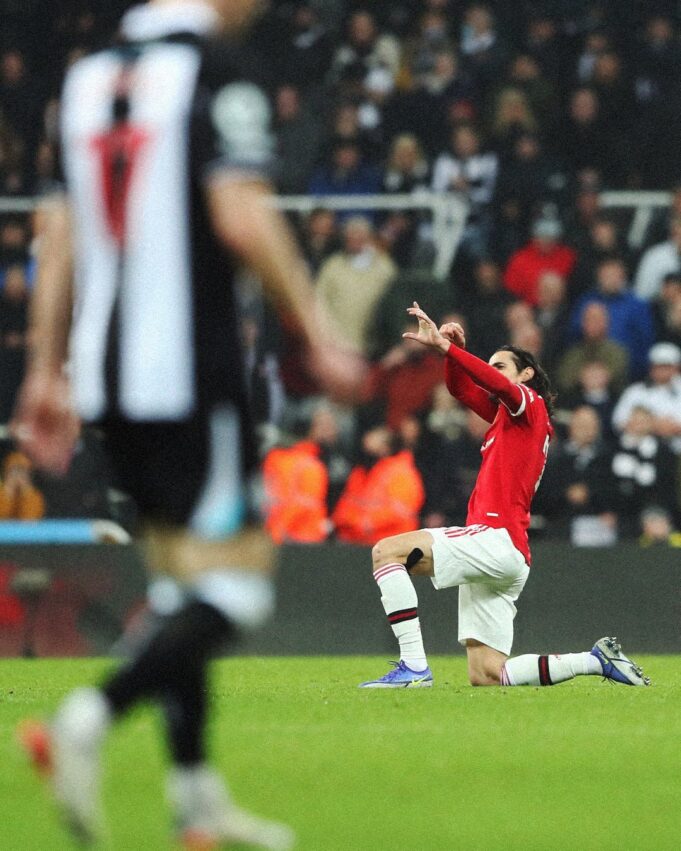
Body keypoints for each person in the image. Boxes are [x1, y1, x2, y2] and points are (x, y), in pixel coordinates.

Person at [13, 1, 366, 848]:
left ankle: (196, 796)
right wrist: (317, 331)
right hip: (188, 372)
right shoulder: (216, 72)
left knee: (179, 586)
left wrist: (43, 370)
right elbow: (241, 214)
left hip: (106, 375)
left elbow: (57, 233)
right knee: (238, 585)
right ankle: (89, 717)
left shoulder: (90, 78)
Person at [359, 303, 649, 690]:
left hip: (493, 537)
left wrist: (451, 352)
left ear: (526, 374)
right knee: (488, 675)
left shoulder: (532, 404)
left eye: (501, 365)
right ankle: (595, 660)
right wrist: (452, 351)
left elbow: (495, 386)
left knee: (386, 552)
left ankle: (413, 667)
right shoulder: (507, 419)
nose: (492, 372)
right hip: (507, 553)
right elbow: (462, 388)